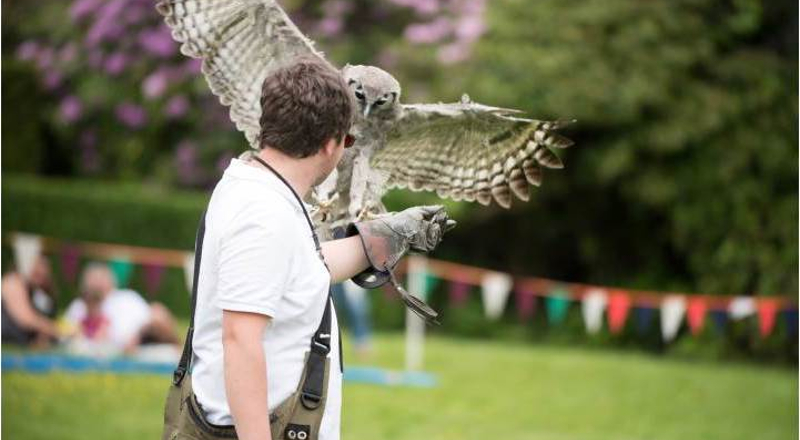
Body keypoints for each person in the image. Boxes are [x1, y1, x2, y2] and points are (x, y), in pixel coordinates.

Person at [166, 59, 453, 440]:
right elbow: (240, 340)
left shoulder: (267, 192)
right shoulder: (263, 213)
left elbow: (303, 271)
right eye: (349, 140)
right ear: (331, 143)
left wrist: (385, 236)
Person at [63, 263, 180, 354]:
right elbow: (69, 331)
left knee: (158, 312)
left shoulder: (126, 296)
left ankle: (183, 353)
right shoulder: (80, 305)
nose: (99, 283)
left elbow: (151, 315)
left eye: (102, 277)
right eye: (95, 278)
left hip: (143, 335)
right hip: (114, 345)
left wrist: (139, 333)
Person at [1, 255, 60, 347]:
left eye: (45, 267)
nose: (42, 271)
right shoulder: (13, 281)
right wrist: (56, 329)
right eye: (38, 266)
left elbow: (43, 318)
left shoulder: (36, 291)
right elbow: (26, 319)